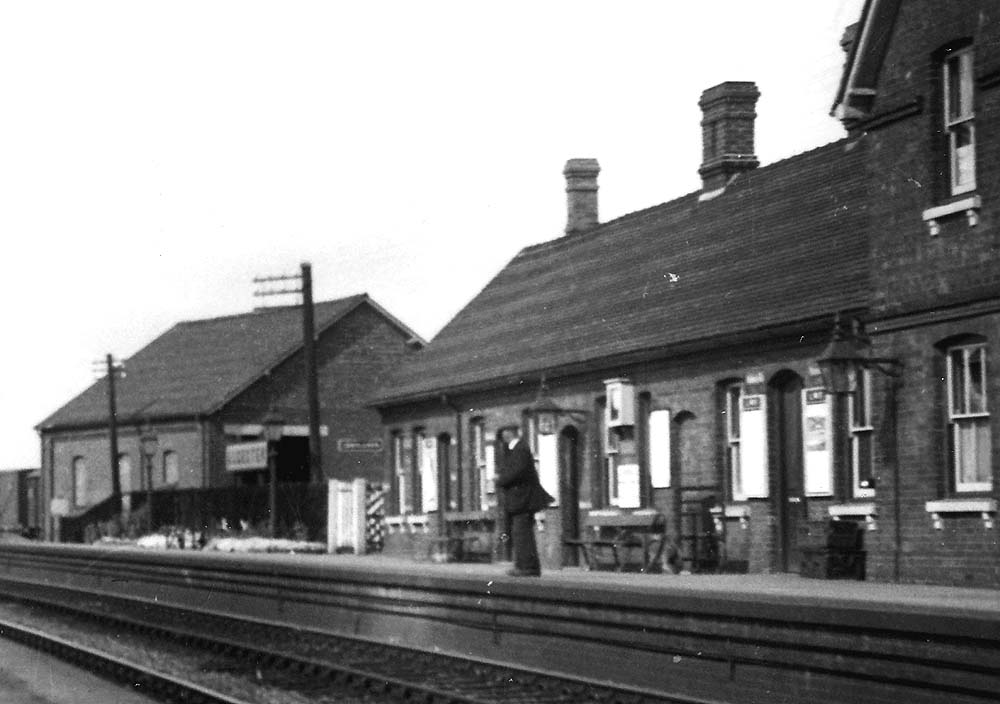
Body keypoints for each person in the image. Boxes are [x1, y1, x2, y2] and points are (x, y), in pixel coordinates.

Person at [496, 426, 553, 577]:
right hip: (520, 500)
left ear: (508, 434)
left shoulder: (519, 449)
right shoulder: (519, 449)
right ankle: (525, 566)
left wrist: (501, 479)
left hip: (523, 500)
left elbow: (517, 471)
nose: (504, 441)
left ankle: (527, 567)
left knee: (522, 533)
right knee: (521, 533)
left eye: (504, 437)